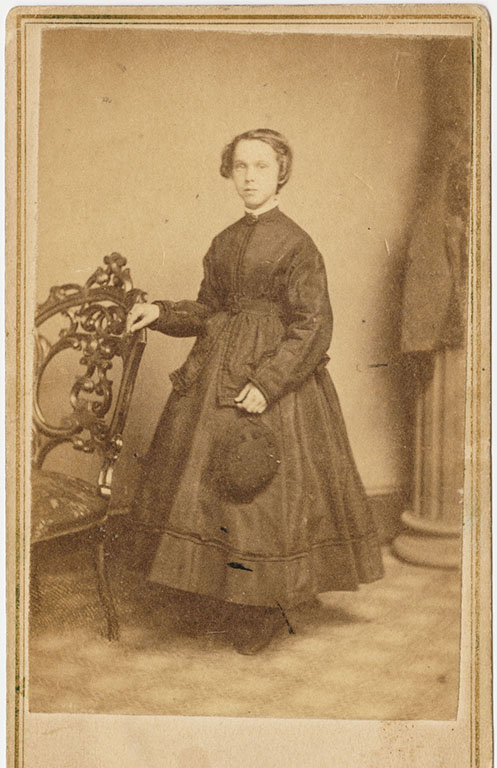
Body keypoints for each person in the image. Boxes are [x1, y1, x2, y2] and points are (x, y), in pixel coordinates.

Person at [127, 129, 384, 655]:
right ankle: (219, 594)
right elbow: (207, 309)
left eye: (261, 167)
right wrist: (162, 313)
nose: (249, 177)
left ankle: (264, 607)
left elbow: (313, 325)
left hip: (277, 380)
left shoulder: (297, 244)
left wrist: (267, 384)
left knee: (260, 492)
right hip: (215, 374)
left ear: (280, 173)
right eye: (240, 166)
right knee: (211, 487)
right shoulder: (223, 241)